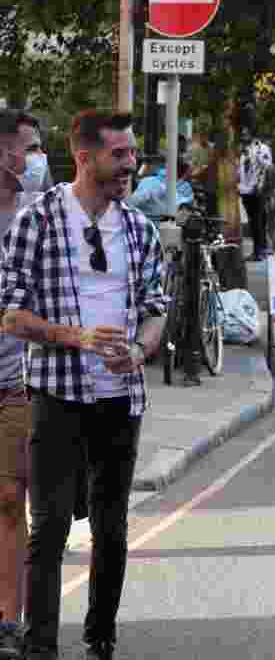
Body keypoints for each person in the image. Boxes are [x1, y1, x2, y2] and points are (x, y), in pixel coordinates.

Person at [0, 110, 166, 660]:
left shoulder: (140, 229)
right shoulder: (38, 221)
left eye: (132, 153)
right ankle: (40, 644)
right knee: (47, 527)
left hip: (121, 399)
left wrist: (139, 350)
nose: (130, 163)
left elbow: (156, 310)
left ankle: (101, 636)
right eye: (119, 154)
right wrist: (77, 337)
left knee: (111, 528)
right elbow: (10, 314)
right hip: (55, 394)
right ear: (86, 157)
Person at [0, 109, 54, 659]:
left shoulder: (41, 218)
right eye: (30, 147)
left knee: (11, 499)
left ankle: (7, 620)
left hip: (16, 382)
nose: (37, 158)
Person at [126, 147, 195, 220]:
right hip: (171, 222)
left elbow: (132, 203)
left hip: (153, 221)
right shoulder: (186, 187)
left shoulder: (151, 182)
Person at [237, 127, 273, 261]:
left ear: (252, 135)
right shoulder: (243, 150)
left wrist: (261, 185)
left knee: (258, 221)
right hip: (245, 190)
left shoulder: (261, 148)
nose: (243, 136)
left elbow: (267, 166)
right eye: (243, 134)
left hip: (257, 189)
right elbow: (241, 170)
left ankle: (260, 250)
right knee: (253, 222)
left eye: (246, 134)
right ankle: (257, 250)